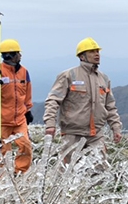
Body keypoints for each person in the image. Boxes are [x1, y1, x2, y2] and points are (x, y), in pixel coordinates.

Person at [43, 37, 123, 167]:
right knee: (68, 171)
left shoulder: (104, 79)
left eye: (97, 51)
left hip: (96, 134)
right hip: (72, 133)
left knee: (100, 170)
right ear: (82, 56)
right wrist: (50, 124)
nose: (97, 54)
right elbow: (53, 100)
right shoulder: (68, 76)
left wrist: (116, 128)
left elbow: (110, 107)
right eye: (92, 51)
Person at [0, 39, 34, 174]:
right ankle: (5, 175)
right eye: (18, 53)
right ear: (10, 55)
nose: (20, 56)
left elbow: (27, 92)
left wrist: (28, 110)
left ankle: (20, 172)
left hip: (19, 119)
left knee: (25, 146)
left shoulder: (24, 72)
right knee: (4, 150)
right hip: (1, 120)